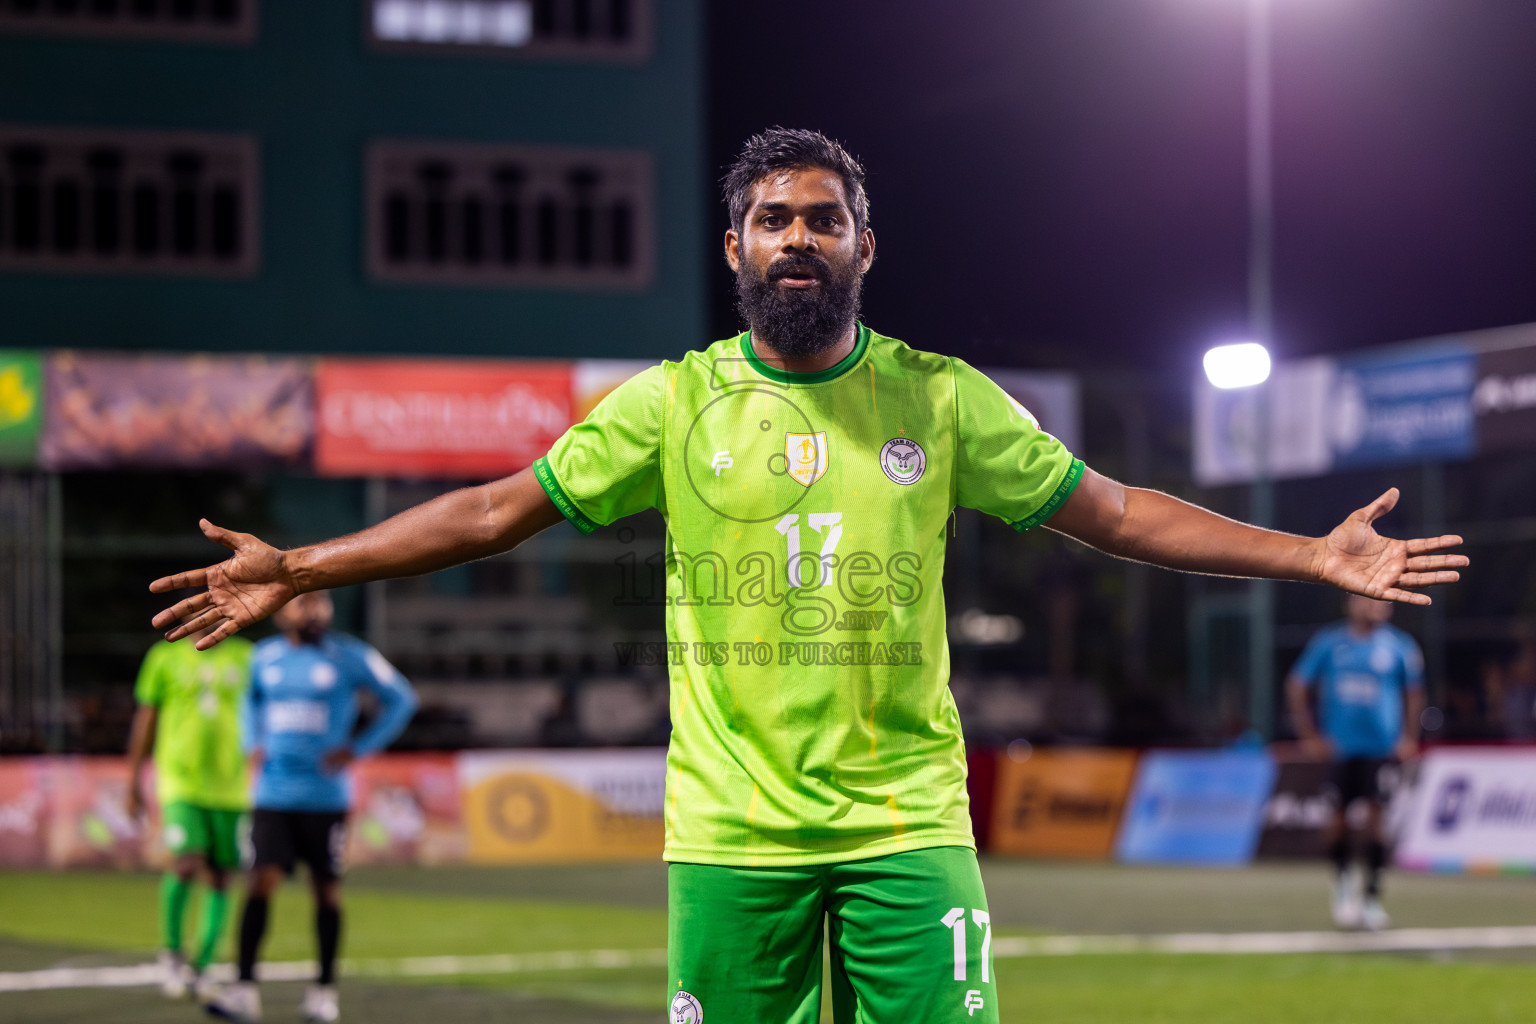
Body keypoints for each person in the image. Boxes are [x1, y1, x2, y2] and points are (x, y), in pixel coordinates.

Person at [153, 128, 1466, 1024]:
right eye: (771, 218)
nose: (797, 237)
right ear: (734, 249)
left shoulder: (937, 399)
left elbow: (1115, 512)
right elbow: (500, 510)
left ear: (863, 249)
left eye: (822, 219)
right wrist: (301, 563)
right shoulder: (670, 405)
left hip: (908, 825)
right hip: (733, 837)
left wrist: (1308, 552)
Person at [203, 591, 417, 1024]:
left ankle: (323, 992)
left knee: (327, 891)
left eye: (323, 602)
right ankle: (244, 990)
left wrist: (359, 748)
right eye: (305, 603)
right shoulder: (263, 657)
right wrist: (251, 742)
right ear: (282, 610)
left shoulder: (350, 656)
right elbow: (249, 700)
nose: (315, 610)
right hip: (273, 795)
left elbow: (402, 699)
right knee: (259, 882)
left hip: (326, 798)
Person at [126, 627, 254, 1000]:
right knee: (184, 862)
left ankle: (202, 966)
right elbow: (146, 718)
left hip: (232, 787)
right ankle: (172, 953)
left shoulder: (248, 657)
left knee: (220, 876)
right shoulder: (164, 657)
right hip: (180, 783)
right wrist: (133, 778)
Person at [1286, 595, 1426, 931]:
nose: (1374, 607)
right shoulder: (1329, 643)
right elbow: (1297, 685)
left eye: (1380, 602)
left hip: (1380, 750)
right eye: (1367, 601)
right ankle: (1343, 885)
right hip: (1340, 750)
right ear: (1350, 603)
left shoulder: (1400, 646)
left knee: (1377, 821)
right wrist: (1310, 735)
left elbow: (1415, 693)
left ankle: (1373, 898)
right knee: (1335, 822)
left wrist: (1409, 736)